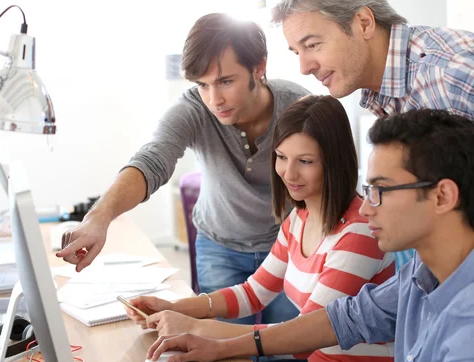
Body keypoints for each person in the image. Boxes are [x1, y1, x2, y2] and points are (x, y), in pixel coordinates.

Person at [147, 109, 474, 362]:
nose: (366, 208)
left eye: (381, 189)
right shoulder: (421, 274)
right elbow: (341, 319)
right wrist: (213, 341)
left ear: (442, 196)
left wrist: (203, 331)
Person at [126, 95, 396, 362]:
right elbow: (253, 293)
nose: (288, 174)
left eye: (305, 161)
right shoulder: (300, 217)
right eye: (281, 157)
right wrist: (174, 307)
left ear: (334, 160)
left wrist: (201, 330)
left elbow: (305, 335)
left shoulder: (360, 231)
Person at [56, 13, 311, 324]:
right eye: (202, 85)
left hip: (290, 246)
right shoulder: (194, 108)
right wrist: (99, 217)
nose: (214, 99)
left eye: (225, 81)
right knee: (228, 361)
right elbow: (153, 159)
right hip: (221, 247)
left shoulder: (298, 107)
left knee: (285, 355)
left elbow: (335, 185)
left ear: (258, 67)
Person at [269, 0, 474, 272]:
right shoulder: (388, 96)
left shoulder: (452, 72)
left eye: (312, 45)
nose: (304, 67)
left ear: (364, 23)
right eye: (296, 51)